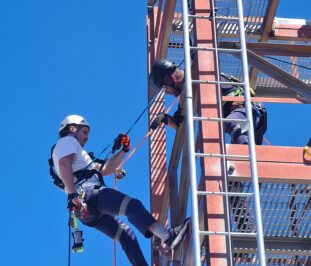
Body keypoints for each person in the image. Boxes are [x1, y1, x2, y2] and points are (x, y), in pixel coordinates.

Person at [52, 114, 190, 266]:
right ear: (72, 129)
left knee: (126, 236)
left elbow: (106, 169)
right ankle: (169, 237)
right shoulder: (67, 141)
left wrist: (124, 150)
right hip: (89, 194)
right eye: (84, 132)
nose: (86, 138)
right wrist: (73, 195)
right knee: (132, 207)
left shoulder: (80, 157)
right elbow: (64, 164)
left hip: (85, 209)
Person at [149, 59, 267, 145]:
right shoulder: (188, 96)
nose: (168, 93)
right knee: (235, 167)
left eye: (165, 89)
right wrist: (166, 118)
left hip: (246, 113)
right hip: (247, 128)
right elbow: (179, 122)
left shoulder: (196, 73)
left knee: (233, 126)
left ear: (170, 79)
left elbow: (197, 62)